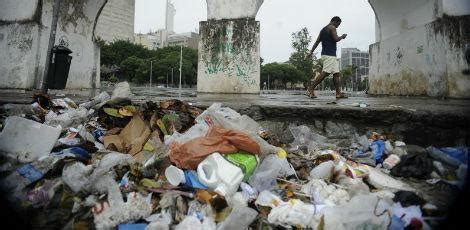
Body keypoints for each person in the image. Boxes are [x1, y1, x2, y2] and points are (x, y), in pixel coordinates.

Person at [306, 16, 348, 99]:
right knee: (325, 73)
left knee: (336, 74)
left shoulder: (322, 30)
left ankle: (338, 93)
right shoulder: (332, 27)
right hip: (329, 54)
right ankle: (310, 89)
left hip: (327, 54)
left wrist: (311, 52)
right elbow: (336, 39)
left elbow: (317, 42)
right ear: (334, 21)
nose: (338, 26)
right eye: (338, 24)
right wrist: (342, 37)